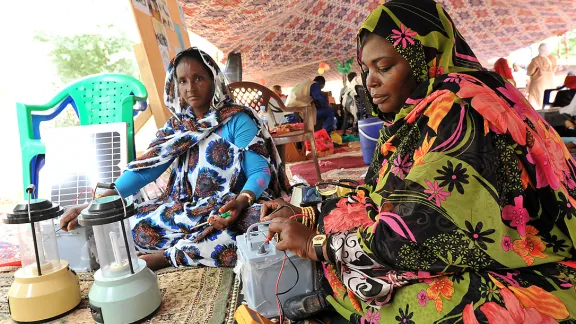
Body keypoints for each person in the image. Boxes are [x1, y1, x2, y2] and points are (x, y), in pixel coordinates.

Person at [260, 1, 576, 322]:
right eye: (367, 69)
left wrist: (316, 244)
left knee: (428, 304)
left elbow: (415, 234)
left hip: (531, 260)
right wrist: (310, 214)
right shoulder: (419, 113)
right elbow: (380, 195)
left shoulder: (459, 108)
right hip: (449, 240)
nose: (370, 82)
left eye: (384, 67)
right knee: (354, 242)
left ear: (424, 59)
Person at [60, 47, 289, 270]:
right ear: (175, 85)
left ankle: (168, 257)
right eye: (183, 81)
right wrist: (95, 203)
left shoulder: (237, 119)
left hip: (232, 207)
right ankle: (188, 248)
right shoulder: (177, 127)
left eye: (199, 78)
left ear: (214, 80)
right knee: (134, 224)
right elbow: (146, 169)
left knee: (263, 227)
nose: (191, 88)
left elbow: (260, 173)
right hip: (189, 209)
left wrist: (240, 202)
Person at [528, 43, 558, 109]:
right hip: (550, 80)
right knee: (550, 97)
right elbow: (555, 69)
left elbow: (530, 72)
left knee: (536, 100)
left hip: (539, 81)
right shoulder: (553, 58)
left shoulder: (536, 59)